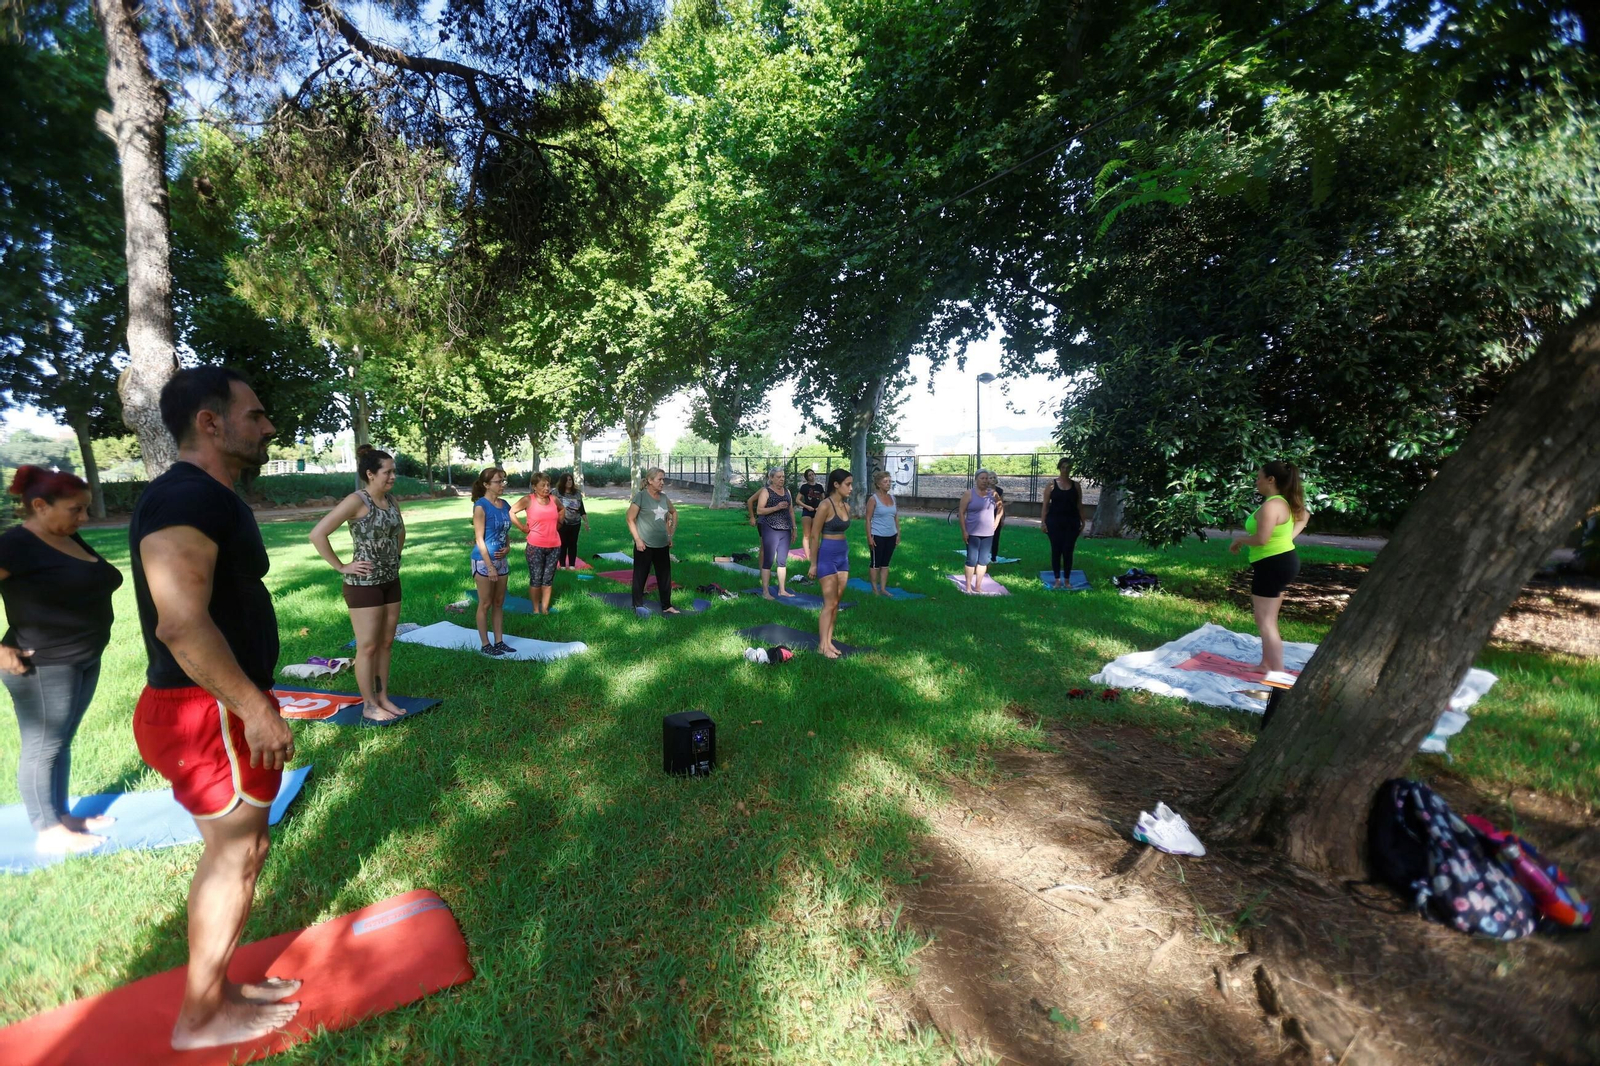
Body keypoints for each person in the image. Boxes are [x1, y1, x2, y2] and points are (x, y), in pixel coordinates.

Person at [128, 367, 300, 1049]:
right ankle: (200, 1016)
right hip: (208, 712)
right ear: (210, 421)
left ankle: (217, 990)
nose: (268, 426)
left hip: (209, 707)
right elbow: (180, 624)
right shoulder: (186, 496)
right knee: (239, 854)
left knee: (237, 851)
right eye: (254, 415)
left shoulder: (203, 495)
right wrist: (254, 708)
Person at [0, 467, 123, 854]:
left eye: (85, 508)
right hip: (41, 665)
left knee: (60, 742)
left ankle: (62, 817)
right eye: (76, 509)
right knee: (43, 746)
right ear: (40, 505)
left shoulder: (67, 535)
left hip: (82, 658)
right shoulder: (15, 545)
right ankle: (48, 831)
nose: (84, 517)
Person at [307, 447, 409, 721]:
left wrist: (395, 557)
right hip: (363, 585)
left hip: (390, 580)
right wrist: (342, 566)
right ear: (370, 473)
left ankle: (383, 697)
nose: (393, 476)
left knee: (386, 643)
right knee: (368, 646)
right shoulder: (356, 501)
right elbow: (317, 534)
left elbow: (400, 531)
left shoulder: (391, 500)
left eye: (394, 471)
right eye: (387, 472)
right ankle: (369, 705)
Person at [1230, 461, 1310, 676]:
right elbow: (1305, 515)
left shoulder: (1272, 505)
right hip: (1279, 562)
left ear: (1271, 479)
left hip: (1272, 564)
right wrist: (1285, 540)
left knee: (1265, 621)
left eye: (1259, 478)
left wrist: (1240, 540)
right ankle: (1267, 664)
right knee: (1265, 619)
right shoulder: (1282, 502)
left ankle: (1277, 673)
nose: (1256, 482)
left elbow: (1262, 539)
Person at [806, 469, 853, 658]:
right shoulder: (825, 505)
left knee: (836, 603)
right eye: (848, 484)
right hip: (827, 555)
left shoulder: (846, 506)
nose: (851, 488)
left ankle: (829, 642)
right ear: (836, 484)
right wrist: (813, 563)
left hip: (843, 555)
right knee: (829, 603)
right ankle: (822, 646)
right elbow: (814, 535)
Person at [470, 467, 513, 655]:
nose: (502, 484)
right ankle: (485, 644)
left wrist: (508, 547)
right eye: (498, 481)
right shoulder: (481, 506)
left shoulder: (505, 505)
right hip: (483, 562)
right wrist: (489, 566)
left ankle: (499, 641)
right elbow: (479, 539)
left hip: (501, 561)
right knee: (485, 603)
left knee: (498, 602)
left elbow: (505, 530)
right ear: (487, 485)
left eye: (503, 481)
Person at [626, 467, 679, 614]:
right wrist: (637, 539)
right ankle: (637, 605)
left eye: (663, 479)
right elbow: (630, 519)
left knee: (665, 576)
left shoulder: (664, 498)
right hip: (644, 544)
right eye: (659, 479)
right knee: (640, 576)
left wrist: (670, 534)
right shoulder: (641, 497)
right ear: (650, 480)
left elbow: (672, 513)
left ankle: (667, 606)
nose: (662, 482)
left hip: (662, 544)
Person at [512, 472, 562, 615]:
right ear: (534, 486)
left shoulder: (554, 499)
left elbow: (562, 509)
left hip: (554, 546)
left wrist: (559, 523)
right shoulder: (528, 500)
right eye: (543, 485)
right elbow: (511, 512)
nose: (547, 488)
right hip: (535, 547)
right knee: (536, 578)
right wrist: (522, 528)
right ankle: (535, 609)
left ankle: (544, 609)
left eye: (548, 485)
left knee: (548, 579)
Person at [1041, 458, 1087, 589]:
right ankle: (1057, 580)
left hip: (1071, 522)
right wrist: (1043, 522)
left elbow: (1079, 504)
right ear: (1059, 468)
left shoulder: (1076, 486)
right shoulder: (1051, 485)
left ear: (1071, 469)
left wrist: (1083, 521)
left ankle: (1067, 580)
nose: (1065, 470)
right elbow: (1045, 505)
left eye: (1068, 467)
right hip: (1054, 522)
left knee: (1068, 550)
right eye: (1063, 467)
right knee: (1056, 550)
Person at [753, 467, 797, 599]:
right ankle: (765, 591)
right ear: (771, 478)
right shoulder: (766, 491)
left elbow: (791, 511)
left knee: (782, 561)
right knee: (768, 560)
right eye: (778, 477)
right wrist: (776, 508)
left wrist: (794, 528)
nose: (781, 479)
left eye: (783, 476)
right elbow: (759, 511)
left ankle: (782, 590)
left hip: (785, 529)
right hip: (770, 528)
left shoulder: (787, 492)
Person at [958, 469, 1005, 593]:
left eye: (986, 478)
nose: (985, 481)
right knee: (971, 559)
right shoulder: (969, 494)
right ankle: (968, 587)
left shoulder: (993, 494)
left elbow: (1000, 508)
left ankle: (978, 586)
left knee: (983, 560)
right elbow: (961, 513)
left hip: (988, 533)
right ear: (976, 480)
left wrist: (996, 521)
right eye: (982, 478)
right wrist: (964, 531)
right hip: (972, 532)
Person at [863, 470, 900, 596]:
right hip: (877, 535)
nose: (888, 484)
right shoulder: (873, 499)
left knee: (885, 564)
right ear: (878, 484)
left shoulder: (893, 498)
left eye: (889, 481)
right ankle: (875, 590)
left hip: (891, 535)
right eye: (885, 481)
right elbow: (868, 519)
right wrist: (869, 537)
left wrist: (898, 533)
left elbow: (895, 517)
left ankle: (883, 588)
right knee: (875, 563)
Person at [553, 472, 589, 569]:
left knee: (573, 544)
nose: (569, 482)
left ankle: (572, 565)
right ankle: (562, 565)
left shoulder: (577, 493)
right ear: (562, 482)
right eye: (566, 480)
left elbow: (581, 509)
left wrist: (586, 522)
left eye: (570, 480)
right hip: (562, 522)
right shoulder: (556, 493)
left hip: (575, 523)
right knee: (563, 543)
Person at [795, 468, 826, 559]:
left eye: (813, 474)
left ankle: (815, 553)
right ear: (807, 478)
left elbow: (824, 500)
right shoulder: (804, 487)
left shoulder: (819, 487)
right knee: (806, 535)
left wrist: (819, 507)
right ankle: (808, 556)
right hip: (807, 512)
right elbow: (797, 500)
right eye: (809, 475)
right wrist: (806, 506)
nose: (812, 476)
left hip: (817, 512)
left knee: (816, 534)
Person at [990, 483, 1007, 561]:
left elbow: (1001, 505)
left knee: (996, 537)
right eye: (990, 478)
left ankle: (994, 556)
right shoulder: (983, 489)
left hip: (996, 515)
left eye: (994, 478)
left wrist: (1002, 519)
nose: (992, 480)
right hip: (986, 516)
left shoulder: (999, 491)